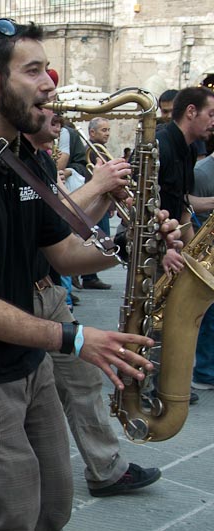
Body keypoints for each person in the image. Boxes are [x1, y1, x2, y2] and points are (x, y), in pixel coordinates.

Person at [0, 19, 179, 530]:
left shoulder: (24, 157)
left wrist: (130, 244)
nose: (50, 82)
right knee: (11, 512)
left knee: (52, 507)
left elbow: (62, 254)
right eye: (33, 71)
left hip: (27, 361)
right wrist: (75, 339)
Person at [0, 101, 162, 499]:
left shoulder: (37, 162)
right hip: (3, 300)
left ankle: (106, 467)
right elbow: (61, 213)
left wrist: (132, 240)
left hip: (46, 290)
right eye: (47, 110)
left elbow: (62, 236)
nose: (59, 118)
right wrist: (99, 186)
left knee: (83, 380)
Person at [159, 86, 214, 392]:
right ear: (191, 112)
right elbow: (147, 203)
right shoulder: (161, 145)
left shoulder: (190, 148)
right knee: (155, 315)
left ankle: (167, 380)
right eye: (211, 114)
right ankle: (148, 383)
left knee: (171, 317)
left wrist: (193, 253)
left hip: (174, 240)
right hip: (153, 244)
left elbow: (181, 202)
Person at [79, 117, 113, 290]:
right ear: (92, 132)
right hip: (96, 200)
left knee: (101, 236)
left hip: (102, 199)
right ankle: (88, 275)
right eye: (103, 130)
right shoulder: (93, 150)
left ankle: (89, 275)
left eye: (108, 130)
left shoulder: (99, 149)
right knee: (98, 236)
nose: (107, 134)